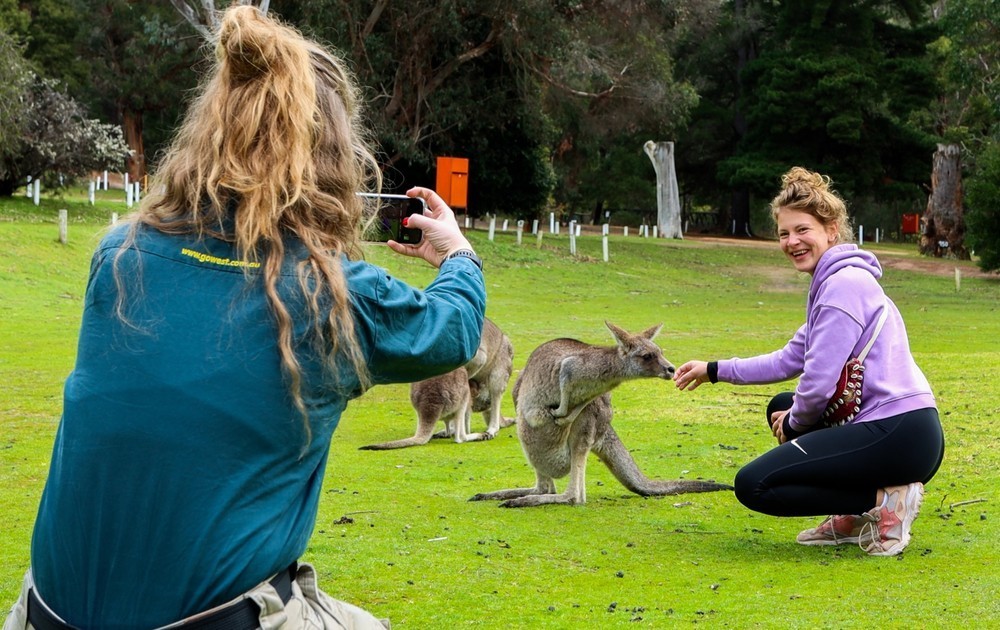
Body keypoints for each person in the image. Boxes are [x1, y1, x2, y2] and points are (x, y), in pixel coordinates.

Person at [4, 6, 485, 630]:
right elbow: (456, 329)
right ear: (331, 157)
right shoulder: (330, 293)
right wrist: (459, 254)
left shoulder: (118, 256)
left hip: (45, 613)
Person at [673, 167, 944, 557]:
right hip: (906, 433)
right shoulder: (838, 284)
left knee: (754, 485)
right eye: (784, 233)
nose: (792, 241)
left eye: (803, 230)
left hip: (899, 433)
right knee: (780, 405)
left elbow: (816, 386)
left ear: (831, 230)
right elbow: (788, 359)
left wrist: (796, 423)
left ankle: (886, 500)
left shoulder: (842, 286)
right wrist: (714, 370)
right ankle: (855, 518)